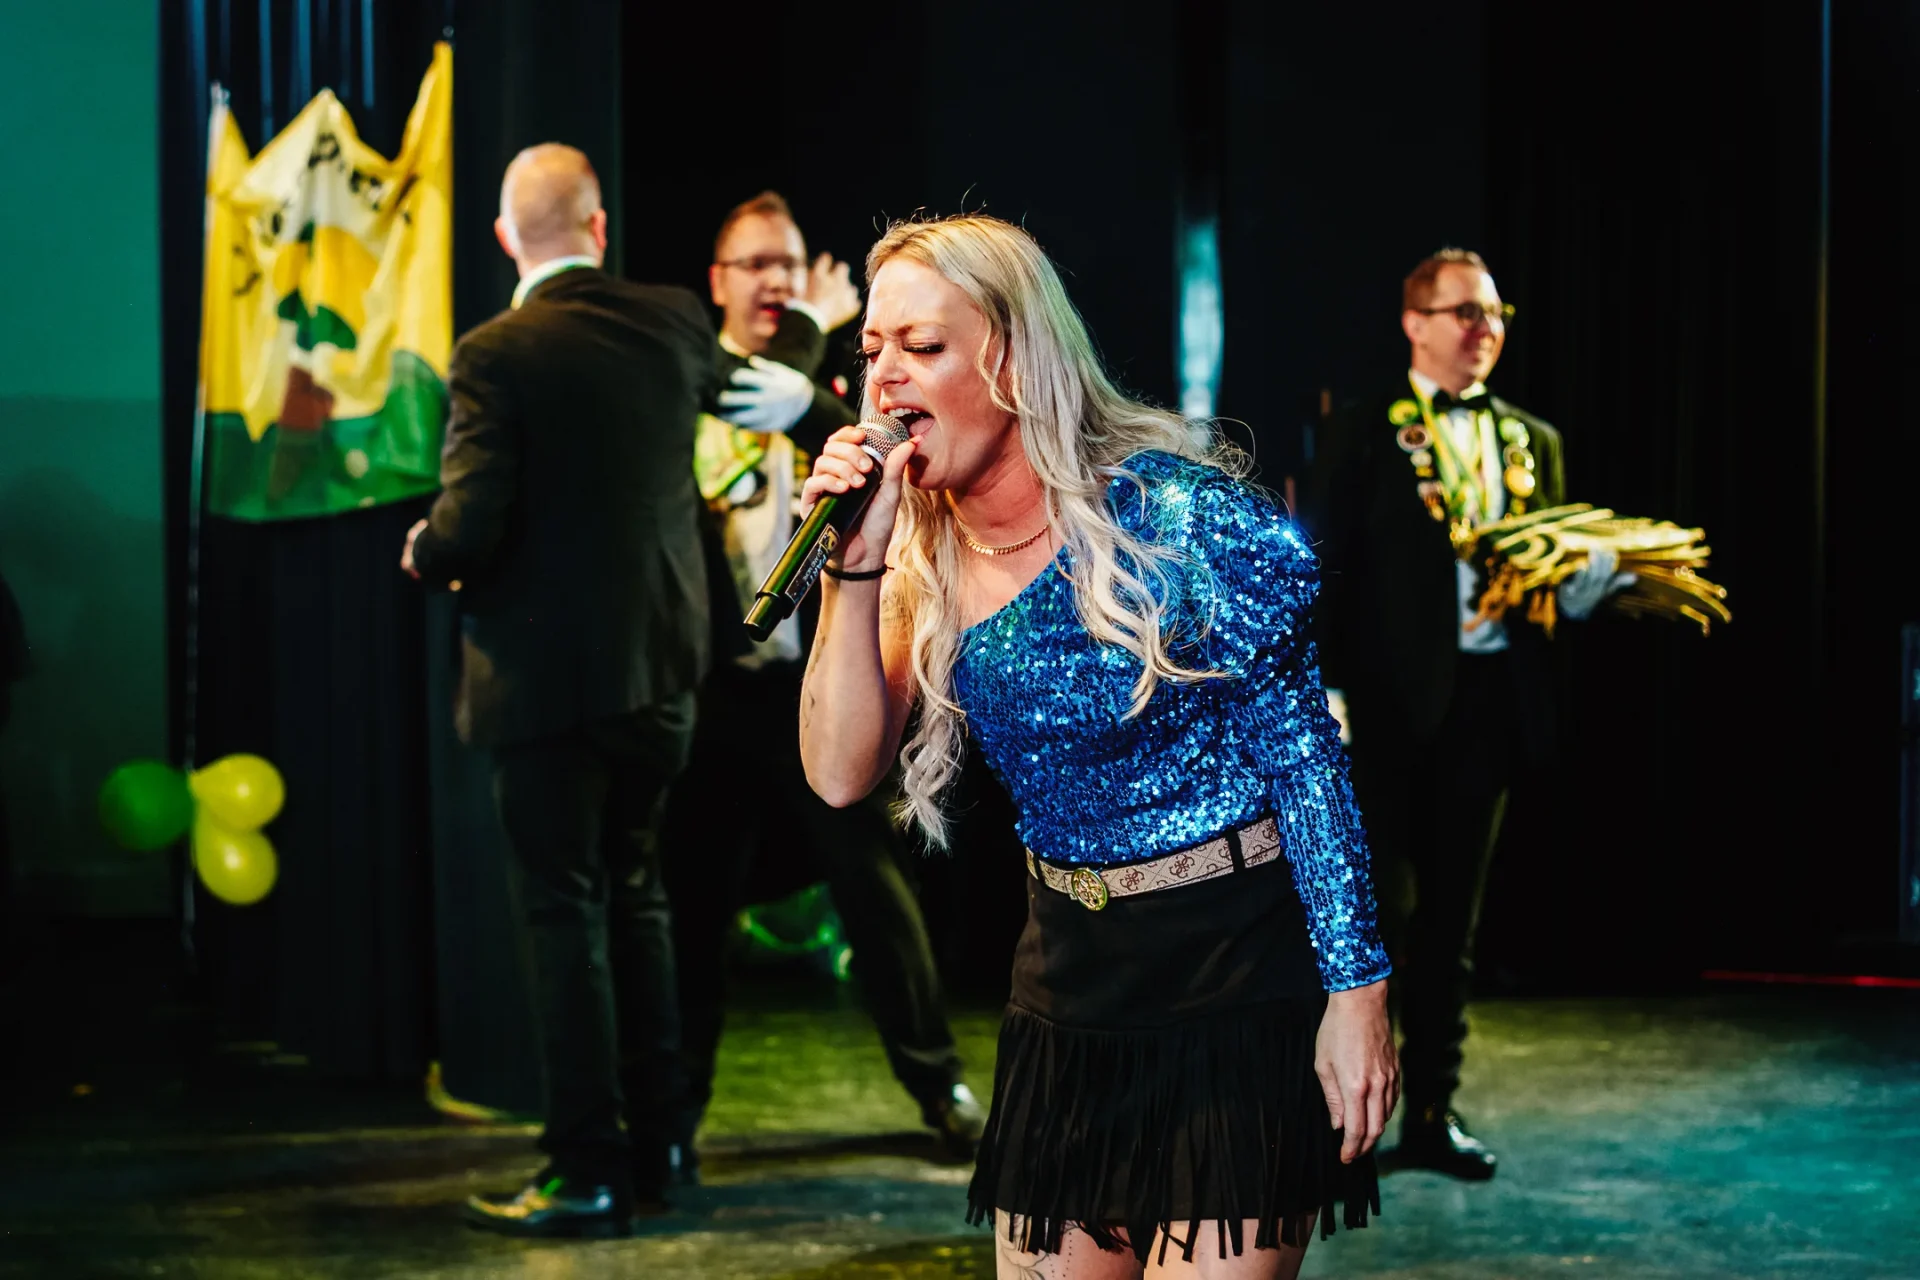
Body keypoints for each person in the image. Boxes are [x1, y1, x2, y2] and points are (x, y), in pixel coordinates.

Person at [798, 214, 1397, 1278]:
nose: (885, 378)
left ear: (1015, 358)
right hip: (1068, 986)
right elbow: (840, 771)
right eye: (873, 348)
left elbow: (1308, 763)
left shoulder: (1180, 515)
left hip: (1232, 979)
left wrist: (1359, 996)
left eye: (922, 346)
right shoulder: (919, 553)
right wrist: (853, 561)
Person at [401, 143, 715, 1238]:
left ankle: (586, 1170)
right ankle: (663, 1145)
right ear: (598, 227)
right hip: (661, 673)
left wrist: (425, 551)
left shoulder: (495, 350)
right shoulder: (675, 321)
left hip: (545, 689)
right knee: (639, 895)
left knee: (563, 914)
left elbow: (468, 525)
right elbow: (755, 383)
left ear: (504, 238)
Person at [661, 191, 985, 1169]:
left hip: (818, 685)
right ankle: (673, 1115)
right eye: (754, 263)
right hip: (715, 691)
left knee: (874, 888)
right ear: (718, 282)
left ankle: (938, 1082)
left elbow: (896, 457)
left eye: (789, 265)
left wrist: (814, 403)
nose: (774, 280)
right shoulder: (688, 381)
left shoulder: (832, 397)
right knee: (693, 905)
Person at [1302, 248, 1633, 1181]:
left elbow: (1546, 577)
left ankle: (1431, 1111)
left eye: (1494, 315)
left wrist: (1583, 591)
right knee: (1376, 916)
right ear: (1416, 324)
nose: (1484, 330)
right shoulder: (1365, 430)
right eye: (1465, 313)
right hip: (1384, 708)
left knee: (1454, 923)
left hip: (1486, 707)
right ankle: (1346, 1120)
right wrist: (1327, 693)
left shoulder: (1533, 439)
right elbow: (1322, 565)